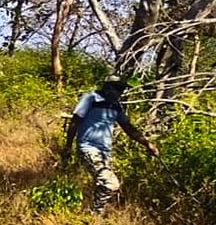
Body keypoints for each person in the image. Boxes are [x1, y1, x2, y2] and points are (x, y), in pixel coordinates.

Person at [65, 76, 159, 214]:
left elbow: (128, 127)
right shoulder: (91, 98)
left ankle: (92, 215)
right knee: (111, 184)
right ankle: (94, 213)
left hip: (105, 152)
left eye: (122, 89)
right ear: (108, 87)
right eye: (118, 89)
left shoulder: (116, 105)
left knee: (101, 183)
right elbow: (75, 121)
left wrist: (147, 144)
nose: (121, 92)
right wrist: (68, 147)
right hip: (88, 148)